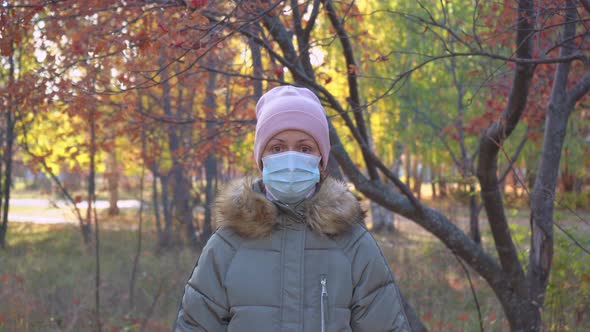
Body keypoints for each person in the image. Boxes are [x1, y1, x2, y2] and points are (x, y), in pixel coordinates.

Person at [174, 85, 412, 332]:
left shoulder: (353, 244)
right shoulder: (228, 245)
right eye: (277, 148)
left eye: (304, 148)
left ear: (321, 161)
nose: (290, 159)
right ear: (261, 160)